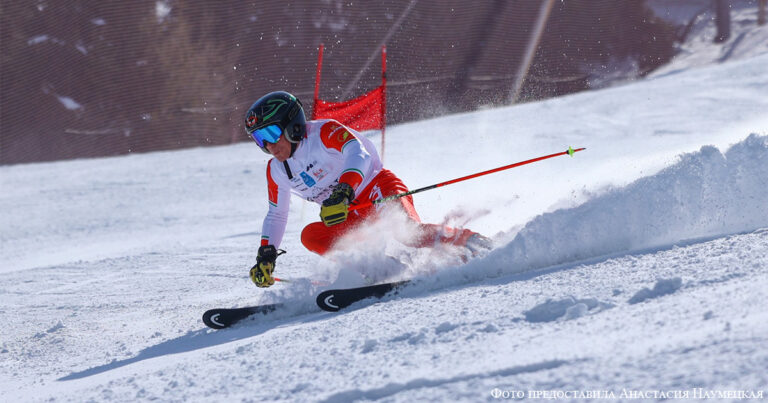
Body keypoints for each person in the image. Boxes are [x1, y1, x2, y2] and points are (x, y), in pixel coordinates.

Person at [244, 91, 492, 288]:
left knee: (408, 234)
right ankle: (382, 270)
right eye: (259, 140)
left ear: (292, 125)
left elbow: (358, 153)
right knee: (312, 235)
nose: (268, 146)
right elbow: (277, 214)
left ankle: (473, 242)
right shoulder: (276, 170)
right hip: (349, 213)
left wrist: (343, 190)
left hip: (376, 188)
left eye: (271, 133)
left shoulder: (324, 133)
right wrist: (266, 254)